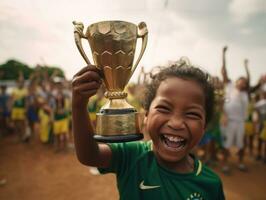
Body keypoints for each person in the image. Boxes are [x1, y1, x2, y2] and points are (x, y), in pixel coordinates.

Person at [71, 59, 225, 200]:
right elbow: (90, 155)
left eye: (192, 114)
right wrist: (79, 104)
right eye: (164, 108)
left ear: (204, 126)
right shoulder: (132, 155)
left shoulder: (211, 184)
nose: (176, 123)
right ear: (146, 115)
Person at [221, 46, 249, 173]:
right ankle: (225, 164)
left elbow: (249, 78)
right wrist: (223, 54)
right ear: (236, 81)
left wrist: (246, 66)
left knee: (241, 144)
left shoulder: (245, 93)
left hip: (241, 122)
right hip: (229, 121)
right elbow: (224, 71)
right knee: (226, 144)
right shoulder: (229, 86)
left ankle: (241, 163)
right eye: (241, 81)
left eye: (244, 82)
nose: (242, 83)